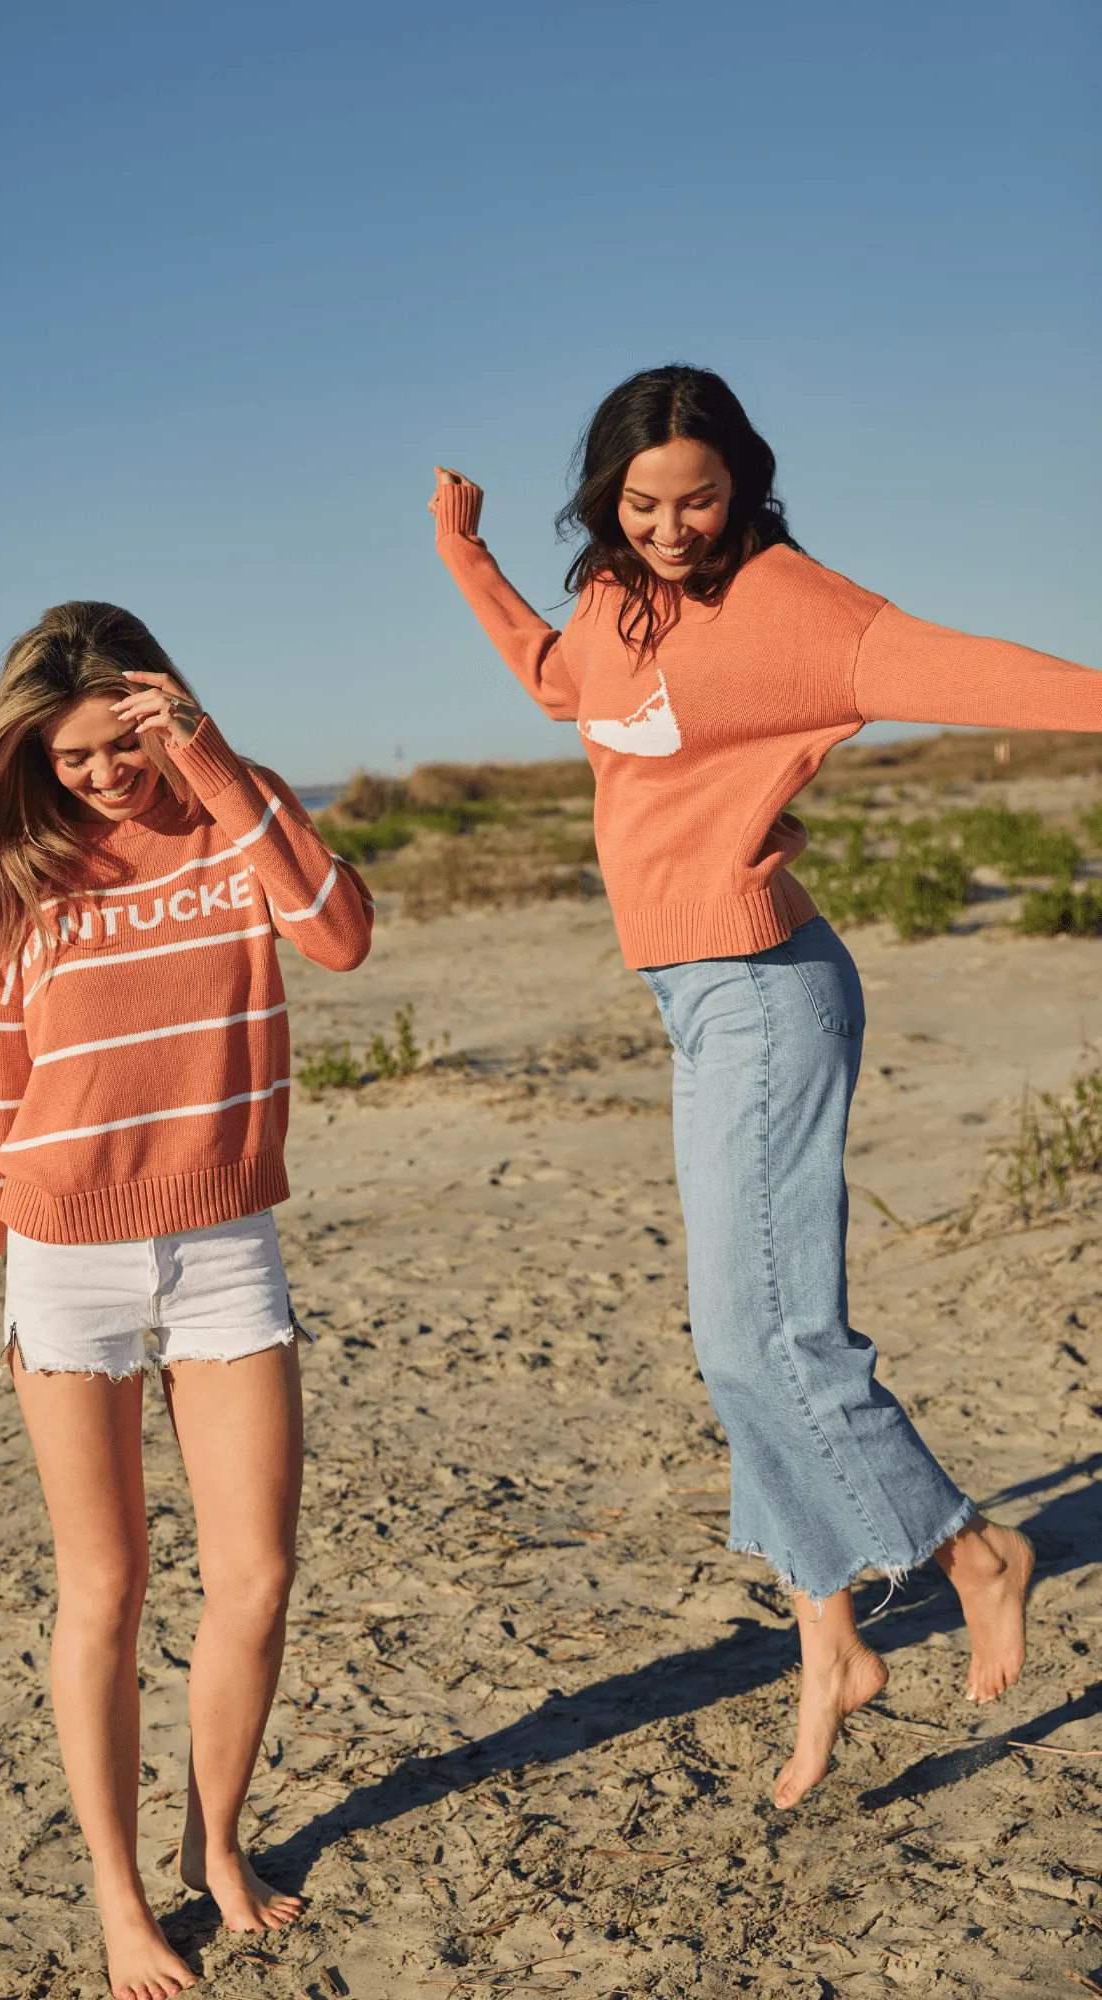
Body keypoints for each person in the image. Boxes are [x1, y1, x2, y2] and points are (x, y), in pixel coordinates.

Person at [429, 364, 1100, 1809]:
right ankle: (832, 1652)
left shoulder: (798, 606)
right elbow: (560, 683)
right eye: (642, 501)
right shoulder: (614, 604)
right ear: (607, 497)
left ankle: (978, 1552)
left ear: (747, 483)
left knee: (767, 1341)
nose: (673, 527)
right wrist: (467, 558)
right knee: (741, 1354)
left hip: (768, 992)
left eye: (702, 499)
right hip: (689, 999)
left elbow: (982, 672)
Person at [0, 601, 373, 2000]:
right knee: (104, 1588)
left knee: (258, 1577)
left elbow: (339, 937)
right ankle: (118, 1896)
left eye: (122, 741)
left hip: (225, 1240)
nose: (101, 774)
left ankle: (214, 1846)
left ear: (168, 707)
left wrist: (217, 767)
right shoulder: (12, 879)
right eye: (71, 755)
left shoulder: (241, 809)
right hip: (65, 1255)